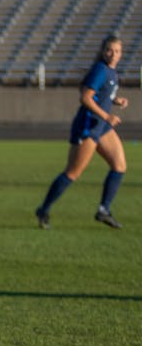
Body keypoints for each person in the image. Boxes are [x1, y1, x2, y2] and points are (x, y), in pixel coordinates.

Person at [35, 35, 128, 230]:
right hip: (88, 125)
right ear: (103, 51)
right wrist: (107, 116)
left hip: (101, 125)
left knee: (119, 166)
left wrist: (114, 100)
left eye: (117, 51)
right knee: (73, 173)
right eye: (110, 50)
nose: (113, 54)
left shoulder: (111, 72)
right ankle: (43, 209)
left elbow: (98, 93)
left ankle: (103, 209)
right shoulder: (100, 69)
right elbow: (85, 97)